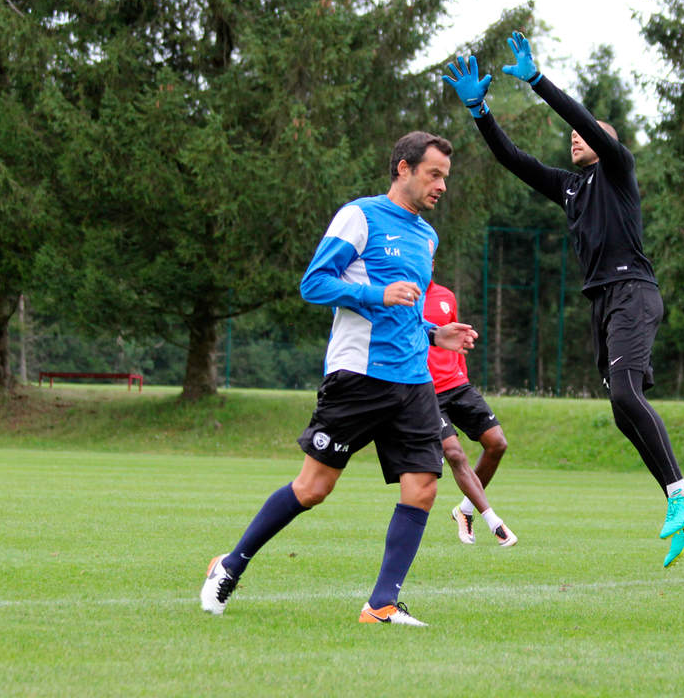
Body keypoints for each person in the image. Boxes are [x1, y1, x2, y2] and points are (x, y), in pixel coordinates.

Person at [443, 32, 684, 568]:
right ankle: (678, 500)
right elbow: (513, 159)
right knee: (620, 409)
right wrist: (480, 111)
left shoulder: (617, 169)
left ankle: (682, 495)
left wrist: (538, 80)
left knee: (628, 394)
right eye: (570, 135)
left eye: (583, 134)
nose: (574, 138)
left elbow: (586, 120)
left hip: (633, 291)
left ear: (604, 143)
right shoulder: (569, 187)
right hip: (604, 302)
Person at [200, 131, 478, 626]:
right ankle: (230, 564)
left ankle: (381, 605)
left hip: (413, 380)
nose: (441, 186)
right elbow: (314, 284)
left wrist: (437, 335)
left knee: (423, 488)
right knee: (313, 487)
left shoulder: (427, 236)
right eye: (434, 175)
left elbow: (406, 307)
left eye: (445, 178)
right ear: (403, 169)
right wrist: (376, 294)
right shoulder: (360, 216)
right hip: (358, 376)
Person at [424, 279, 517, 547]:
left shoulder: (446, 297)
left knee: (497, 443)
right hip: (425, 391)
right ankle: (494, 522)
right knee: (454, 453)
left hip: (457, 385)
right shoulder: (403, 296)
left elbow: (456, 340)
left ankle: (464, 510)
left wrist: (462, 373)